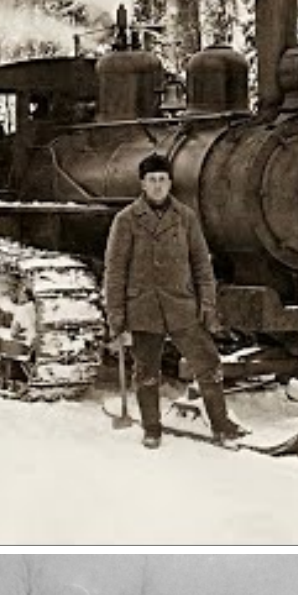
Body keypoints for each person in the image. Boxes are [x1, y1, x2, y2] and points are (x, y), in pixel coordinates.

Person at [103, 153, 244, 449]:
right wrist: (116, 315)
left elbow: (201, 265)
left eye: (162, 179)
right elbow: (115, 272)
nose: (157, 185)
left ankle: (221, 425)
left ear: (170, 183)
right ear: (142, 184)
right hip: (143, 307)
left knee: (208, 363)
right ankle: (152, 429)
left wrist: (207, 304)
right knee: (146, 371)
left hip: (181, 305)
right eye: (152, 180)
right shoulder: (126, 220)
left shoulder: (186, 217)